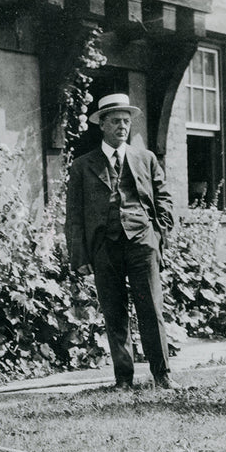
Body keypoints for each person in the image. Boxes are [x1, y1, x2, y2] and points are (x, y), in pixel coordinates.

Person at [66, 93, 174, 390]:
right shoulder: (83, 165)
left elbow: (164, 199)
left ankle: (162, 374)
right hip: (105, 245)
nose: (122, 127)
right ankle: (123, 378)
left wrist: (158, 236)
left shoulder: (145, 159)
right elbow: (74, 214)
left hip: (142, 242)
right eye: (115, 121)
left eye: (126, 121)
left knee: (151, 309)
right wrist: (82, 255)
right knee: (114, 312)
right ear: (102, 124)